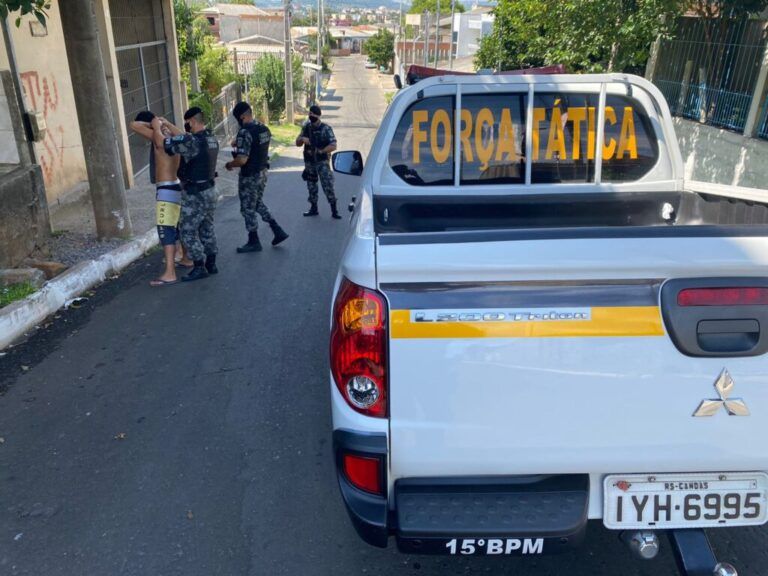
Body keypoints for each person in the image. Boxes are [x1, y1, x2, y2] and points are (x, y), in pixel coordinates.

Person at [158, 107, 219, 282]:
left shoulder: (192, 142)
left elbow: (167, 145)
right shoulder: (211, 138)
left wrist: (159, 128)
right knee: (207, 227)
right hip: (210, 190)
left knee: (187, 231)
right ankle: (211, 263)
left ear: (191, 121)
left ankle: (199, 266)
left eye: (188, 123)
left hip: (195, 194)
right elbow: (186, 138)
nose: (187, 126)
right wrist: (169, 125)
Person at [225, 102, 289, 252]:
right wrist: (239, 142)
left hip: (250, 175)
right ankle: (277, 229)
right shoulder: (263, 128)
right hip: (262, 172)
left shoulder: (245, 132)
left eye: (237, 119)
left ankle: (253, 240)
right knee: (256, 202)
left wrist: (230, 164)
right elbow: (256, 145)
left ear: (242, 116)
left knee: (248, 207)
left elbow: (242, 159)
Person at [129, 111, 182, 287]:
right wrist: (163, 123)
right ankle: (184, 256)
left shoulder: (158, 137)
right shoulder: (174, 137)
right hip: (176, 184)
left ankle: (170, 273)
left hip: (166, 188)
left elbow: (133, 125)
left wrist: (154, 123)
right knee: (177, 225)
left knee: (166, 228)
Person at [296, 105, 340, 219]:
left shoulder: (326, 128)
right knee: (311, 185)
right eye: (309, 114)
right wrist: (301, 139)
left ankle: (334, 210)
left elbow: (333, 145)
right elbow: (297, 142)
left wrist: (320, 150)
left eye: (313, 114)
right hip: (309, 162)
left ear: (318, 115)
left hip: (322, 162)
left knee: (327, 185)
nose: (311, 116)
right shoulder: (306, 127)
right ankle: (313, 208)